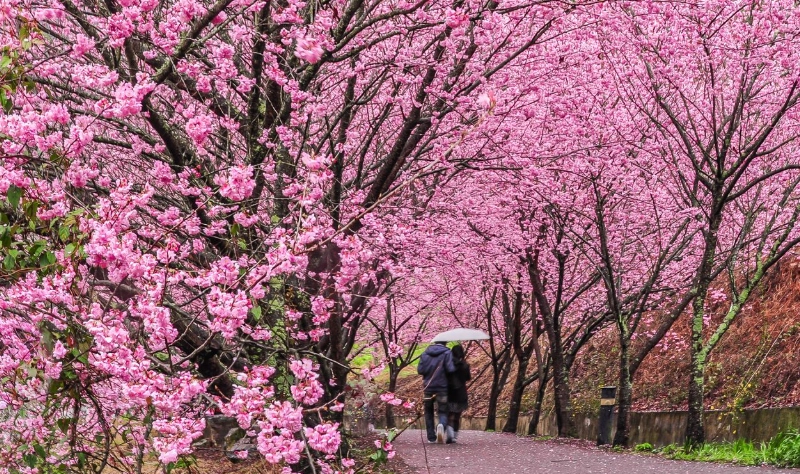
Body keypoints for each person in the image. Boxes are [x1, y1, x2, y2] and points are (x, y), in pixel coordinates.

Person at [417, 341, 456, 443]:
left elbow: (420, 370)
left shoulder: (425, 353)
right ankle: (441, 426)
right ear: (445, 343)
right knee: (443, 410)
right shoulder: (447, 353)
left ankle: (431, 437)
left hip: (428, 387)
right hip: (442, 388)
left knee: (428, 411)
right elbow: (451, 369)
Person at [447, 344, 471, 442]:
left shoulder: (448, 365)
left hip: (450, 392)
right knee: (457, 416)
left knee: (449, 414)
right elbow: (468, 378)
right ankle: (455, 436)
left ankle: (450, 434)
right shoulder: (465, 365)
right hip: (461, 392)